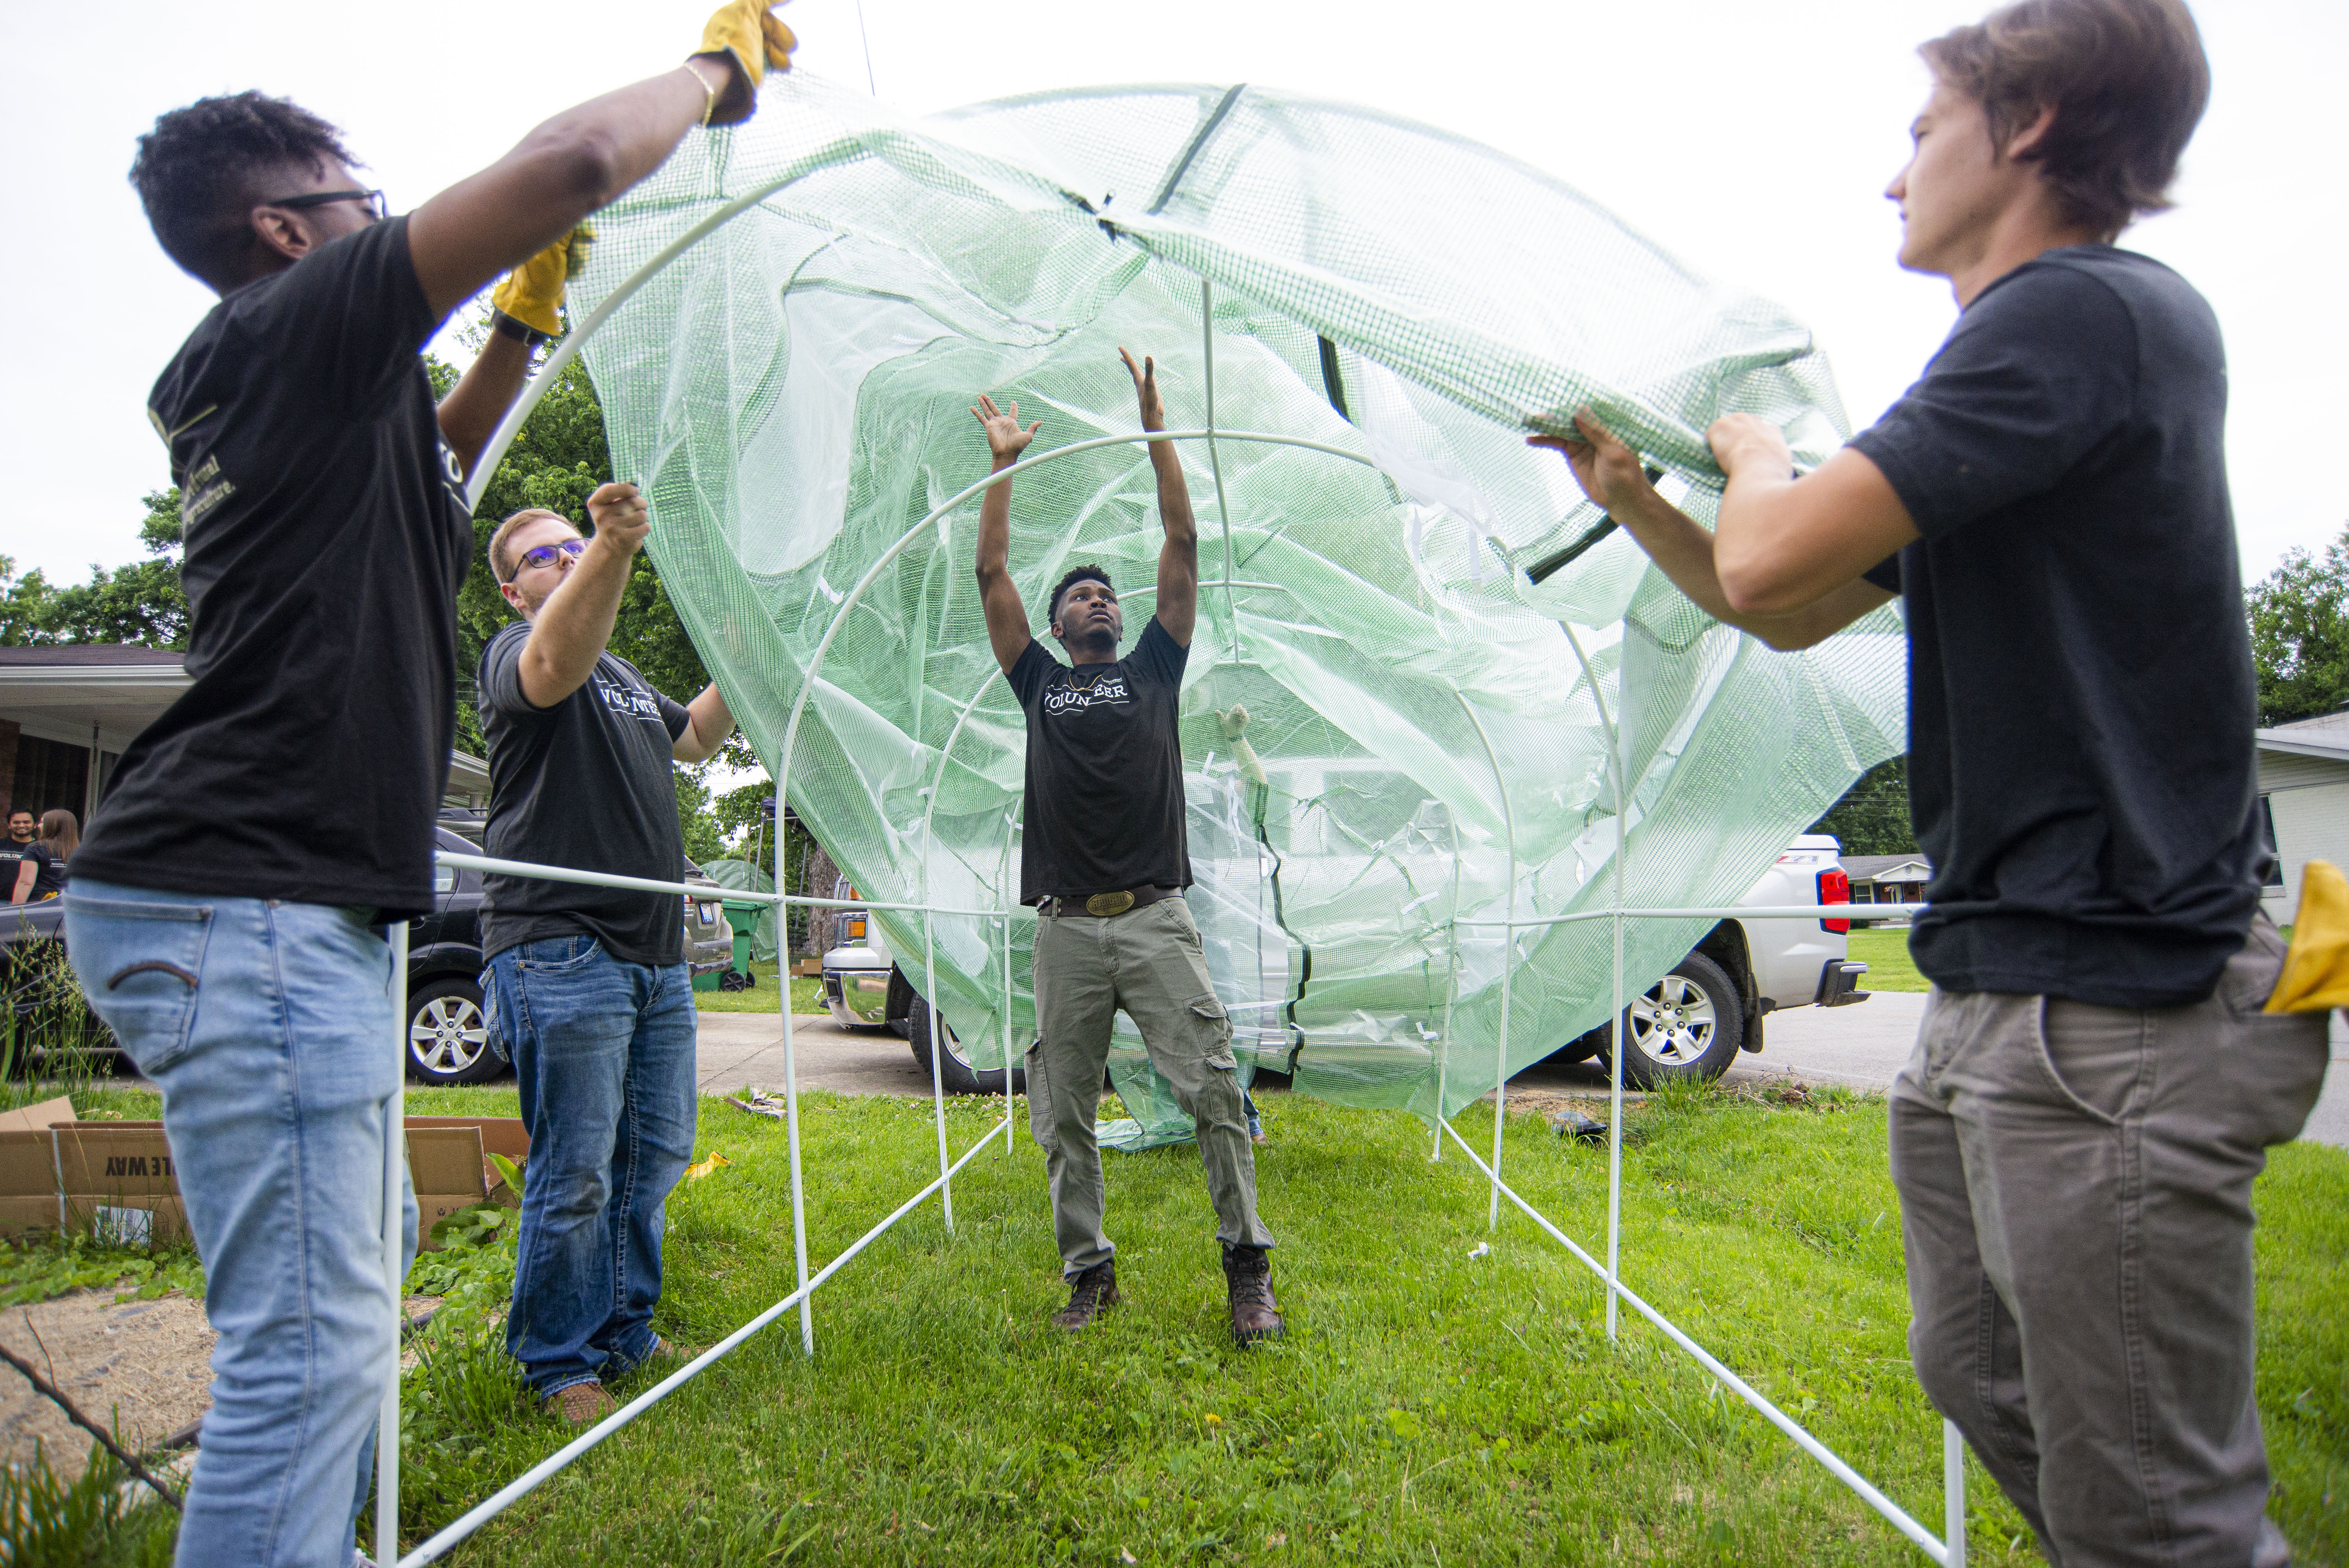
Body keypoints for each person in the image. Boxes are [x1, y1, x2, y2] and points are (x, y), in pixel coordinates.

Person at [1529, 2, 2328, 1562]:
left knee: (2156, 1510)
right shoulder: (2022, 365)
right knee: (1973, 1370)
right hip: (2003, 982)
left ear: (2023, 123)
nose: (1893, 173)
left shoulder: (2082, 316)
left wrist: (1753, 448)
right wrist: (1632, 493)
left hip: (2121, 998)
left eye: (1918, 129)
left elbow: (1766, 540)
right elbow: (1778, 600)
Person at [62, 7, 795, 1563]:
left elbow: (441, 466)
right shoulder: (295, 327)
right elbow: (577, 160)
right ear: (286, 231)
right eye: (357, 196)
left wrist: (522, 325)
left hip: (234, 892)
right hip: (243, 889)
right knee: (315, 1344)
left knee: (358, 1256)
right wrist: (711, 75)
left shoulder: (292, 397)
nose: (385, 221)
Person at [973, 350, 1286, 1346]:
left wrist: (1156, 428)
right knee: (1063, 1108)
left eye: (1107, 591)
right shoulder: (1037, 682)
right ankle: (1089, 1273)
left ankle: (1247, 1267)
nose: (1098, 598)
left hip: (1154, 915)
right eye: (1079, 595)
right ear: (1058, 624)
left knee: (1213, 1090)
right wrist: (1003, 466)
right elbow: (989, 572)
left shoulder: (1157, 663)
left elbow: (1182, 536)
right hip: (1067, 929)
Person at [476, 490, 736, 1424]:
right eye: (545, 555)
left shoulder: (621, 674)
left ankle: (625, 1327)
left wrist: (743, 654)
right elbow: (552, 665)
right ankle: (554, 1359)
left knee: (652, 1153)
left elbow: (698, 736)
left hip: (655, 953)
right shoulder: (518, 651)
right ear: (514, 590)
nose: (566, 556)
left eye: (573, 544)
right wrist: (618, 550)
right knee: (577, 1165)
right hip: (559, 944)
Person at [2, 811, 52, 905]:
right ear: (9, 825)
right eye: (16, 823)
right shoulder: (1, 845)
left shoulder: (42, 849)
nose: (21, 826)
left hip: (30, 903)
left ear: (34, 825)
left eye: (26, 822)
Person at [29, 810, 76, 900]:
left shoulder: (36, 848)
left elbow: (26, 882)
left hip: (39, 904)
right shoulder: (81, 850)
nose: (38, 826)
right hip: (68, 903)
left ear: (53, 826)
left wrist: (16, 910)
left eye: (43, 822)